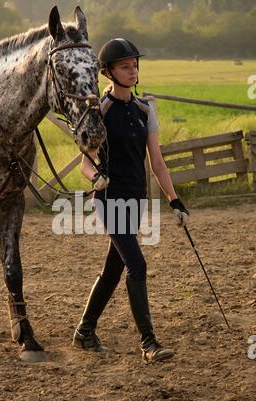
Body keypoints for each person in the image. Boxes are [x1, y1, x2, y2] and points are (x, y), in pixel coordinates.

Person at [72, 38, 189, 363]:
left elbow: (158, 163)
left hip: (136, 200)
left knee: (114, 269)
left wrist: (174, 201)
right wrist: (95, 177)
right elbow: (85, 162)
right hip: (109, 200)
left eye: (135, 65)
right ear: (108, 71)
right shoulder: (100, 112)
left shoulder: (143, 110)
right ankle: (148, 343)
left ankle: (84, 331)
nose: (132, 70)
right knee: (137, 264)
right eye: (125, 66)